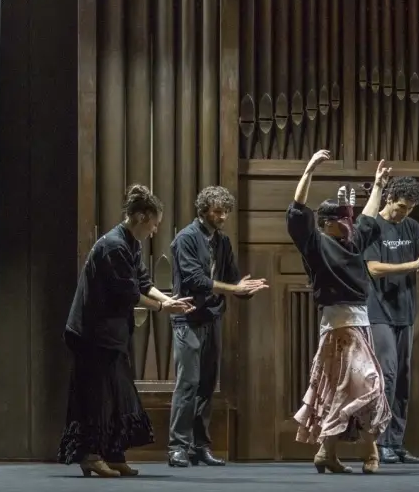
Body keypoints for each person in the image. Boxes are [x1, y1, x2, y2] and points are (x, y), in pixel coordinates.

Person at [59, 184, 195, 478]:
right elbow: (128, 294)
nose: (156, 230)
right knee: (97, 396)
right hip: (92, 333)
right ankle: (91, 455)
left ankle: (112, 452)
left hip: (110, 333)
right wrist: (162, 309)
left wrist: (168, 300)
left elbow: (143, 282)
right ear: (142, 217)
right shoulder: (114, 246)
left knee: (118, 394)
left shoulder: (131, 244)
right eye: (155, 223)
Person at [286, 149, 393, 475]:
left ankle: (326, 453)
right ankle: (370, 452)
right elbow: (297, 210)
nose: (350, 223)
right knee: (369, 385)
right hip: (338, 327)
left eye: (349, 218)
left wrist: (376, 186)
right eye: (343, 219)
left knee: (339, 390)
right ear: (329, 224)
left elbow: (369, 218)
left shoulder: (353, 242)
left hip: (358, 325)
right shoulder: (316, 245)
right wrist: (309, 169)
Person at [167, 186, 269, 468]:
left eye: (226, 211)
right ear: (203, 211)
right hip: (187, 318)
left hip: (211, 317)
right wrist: (234, 288)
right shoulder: (185, 239)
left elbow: (233, 279)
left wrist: (247, 288)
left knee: (207, 386)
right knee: (187, 383)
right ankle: (177, 446)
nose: (223, 216)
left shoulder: (222, 242)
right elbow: (196, 279)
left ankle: (200, 446)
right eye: (217, 211)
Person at [363, 176, 419, 464]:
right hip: (378, 309)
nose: (405, 213)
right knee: (388, 374)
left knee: (404, 378)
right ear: (389, 198)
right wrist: (414, 264)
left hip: (406, 310)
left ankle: (395, 442)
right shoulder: (372, 227)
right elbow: (373, 268)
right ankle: (379, 442)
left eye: (410, 209)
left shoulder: (412, 227)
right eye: (402, 207)